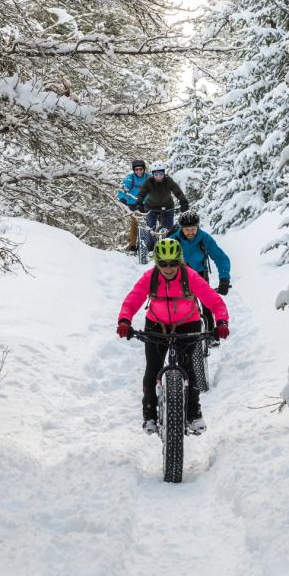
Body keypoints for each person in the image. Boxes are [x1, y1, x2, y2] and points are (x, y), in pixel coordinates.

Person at [117, 237, 229, 435]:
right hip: (156, 325)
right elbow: (132, 299)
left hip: (187, 323)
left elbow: (214, 302)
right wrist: (125, 320)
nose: (168, 268)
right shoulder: (150, 277)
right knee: (152, 369)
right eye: (163, 264)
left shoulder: (191, 276)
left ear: (180, 261)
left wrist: (221, 322)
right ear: (157, 263)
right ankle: (149, 415)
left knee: (188, 368)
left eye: (173, 263)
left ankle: (194, 414)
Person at [168, 211, 231, 340]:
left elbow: (221, 258)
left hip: (200, 273)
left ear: (198, 227)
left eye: (193, 229)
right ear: (181, 228)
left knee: (206, 303)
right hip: (179, 275)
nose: (190, 232)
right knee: (177, 303)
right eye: (187, 229)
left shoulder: (204, 238)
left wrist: (224, 279)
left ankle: (210, 335)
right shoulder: (174, 239)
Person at [136, 161, 189, 249]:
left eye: (161, 174)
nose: (159, 177)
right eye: (156, 174)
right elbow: (142, 193)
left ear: (164, 173)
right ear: (153, 174)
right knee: (151, 228)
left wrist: (183, 202)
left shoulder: (168, 180)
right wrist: (139, 203)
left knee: (169, 230)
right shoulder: (149, 181)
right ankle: (150, 247)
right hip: (151, 207)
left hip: (167, 207)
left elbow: (177, 191)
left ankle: (168, 247)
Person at [117, 159, 149, 251]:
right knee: (134, 223)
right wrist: (122, 197)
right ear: (134, 170)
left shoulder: (148, 177)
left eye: (141, 169)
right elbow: (124, 187)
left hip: (146, 204)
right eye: (137, 169)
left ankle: (149, 244)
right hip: (133, 204)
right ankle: (133, 245)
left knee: (150, 223)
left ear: (144, 169)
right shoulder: (130, 177)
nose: (139, 171)